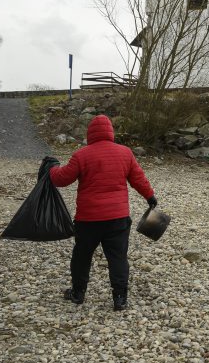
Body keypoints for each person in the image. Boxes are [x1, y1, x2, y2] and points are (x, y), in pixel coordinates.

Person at [44, 114, 156, 311]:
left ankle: (78, 293)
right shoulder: (125, 153)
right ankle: (120, 298)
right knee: (118, 258)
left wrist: (51, 168)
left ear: (90, 133)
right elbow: (138, 178)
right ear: (111, 132)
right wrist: (150, 196)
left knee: (82, 256)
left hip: (88, 220)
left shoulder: (81, 155)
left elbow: (61, 179)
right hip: (118, 219)